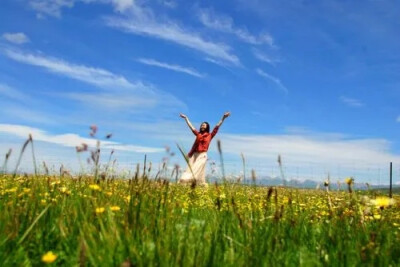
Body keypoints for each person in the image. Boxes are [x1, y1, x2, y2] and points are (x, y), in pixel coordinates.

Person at [178, 112, 230, 185]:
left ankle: (186, 180)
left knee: (196, 169)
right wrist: (186, 118)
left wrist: (223, 118)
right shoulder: (198, 134)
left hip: (202, 155)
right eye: (201, 125)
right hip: (194, 155)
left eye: (204, 125)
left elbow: (217, 126)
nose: (202, 126)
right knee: (190, 170)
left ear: (207, 127)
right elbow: (191, 127)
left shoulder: (210, 135)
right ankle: (199, 185)